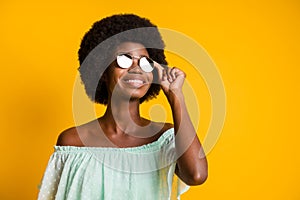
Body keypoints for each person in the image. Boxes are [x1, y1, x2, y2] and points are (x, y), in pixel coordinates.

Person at [38, 14, 207, 200]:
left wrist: (176, 95)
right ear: (102, 71)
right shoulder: (73, 141)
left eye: (145, 62)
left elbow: (196, 175)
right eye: (124, 60)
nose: (136, 68)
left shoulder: (164, 139)